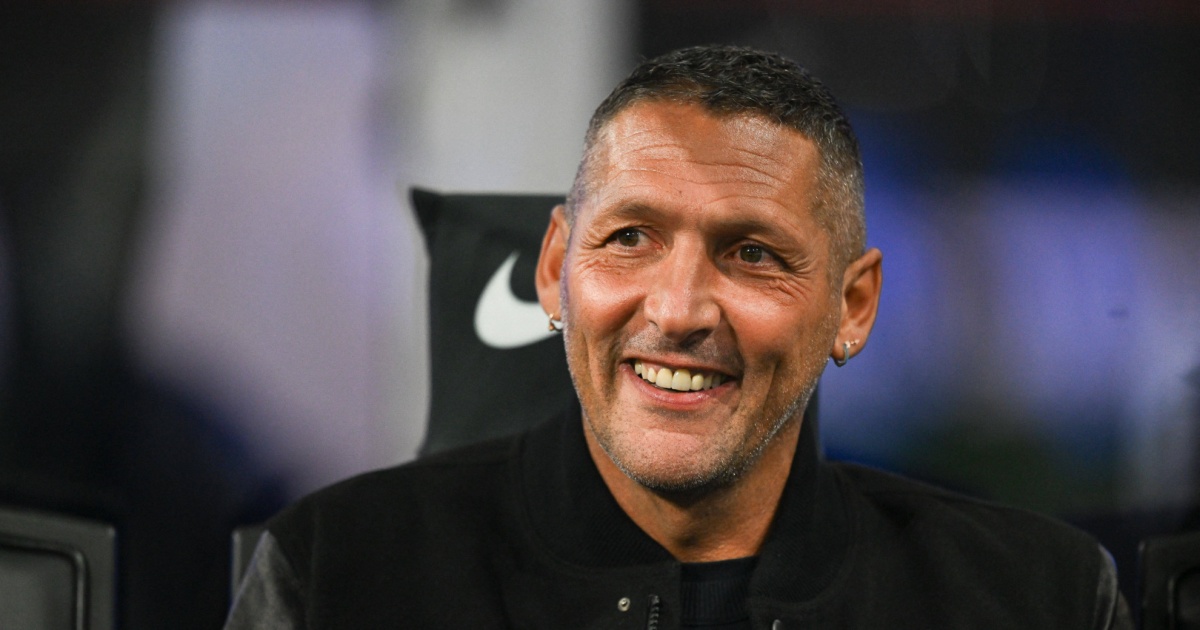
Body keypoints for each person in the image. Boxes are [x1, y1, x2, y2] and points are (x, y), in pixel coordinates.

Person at [224, 44, 1132, 629]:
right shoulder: (339, 573)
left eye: (752, 253)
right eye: (630, 238)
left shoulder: (1034, 597)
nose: (679, 309)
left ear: (852, 306)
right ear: (555, 267)